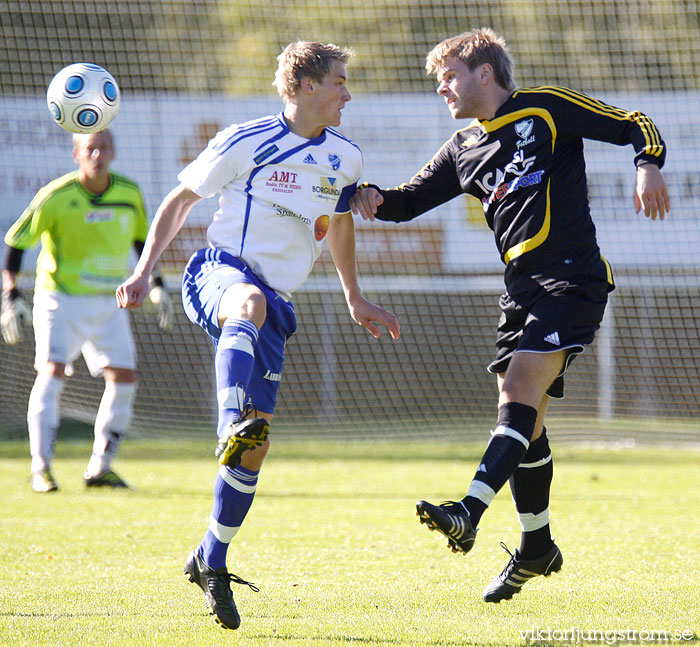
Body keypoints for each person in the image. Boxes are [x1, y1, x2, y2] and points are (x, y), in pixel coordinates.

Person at [349, 28, 669, 604]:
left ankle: (468, 510)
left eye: (448, 76)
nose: (442, 88)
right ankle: (537, 545)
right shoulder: (460, 148)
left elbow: (635, 124)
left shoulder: (543, 111)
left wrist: (648, 166)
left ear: (484, 73)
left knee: (520, 389)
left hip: (572, 277)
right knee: (525, 418)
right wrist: (368, 195)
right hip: (519, 291)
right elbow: (407, 201)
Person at [116, 41, 400, 630]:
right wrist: (144, 271)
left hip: (279, 303)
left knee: (256, 448)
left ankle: (210, 558)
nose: (348, 93)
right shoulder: (246, 140)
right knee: (246, 311)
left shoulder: (345, 157)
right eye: (339, 82)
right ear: (304, 87)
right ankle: (227, 423)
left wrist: (353, 296)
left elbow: (340, 221)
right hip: (222, 270)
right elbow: (180, 200)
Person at [2, 129, 172, 493]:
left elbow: (144, 241)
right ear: (76, 154)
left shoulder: (128, 193)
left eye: (104, 148)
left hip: (110, 303)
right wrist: (10, 292)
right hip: (60, 299)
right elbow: (17, 242)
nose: (97, 155)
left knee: (124, 377)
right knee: (53, 371)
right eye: (89, 149)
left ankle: (100, 467)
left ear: (113, 152)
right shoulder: (56, 196)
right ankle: (41, 468)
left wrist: (157, 283)